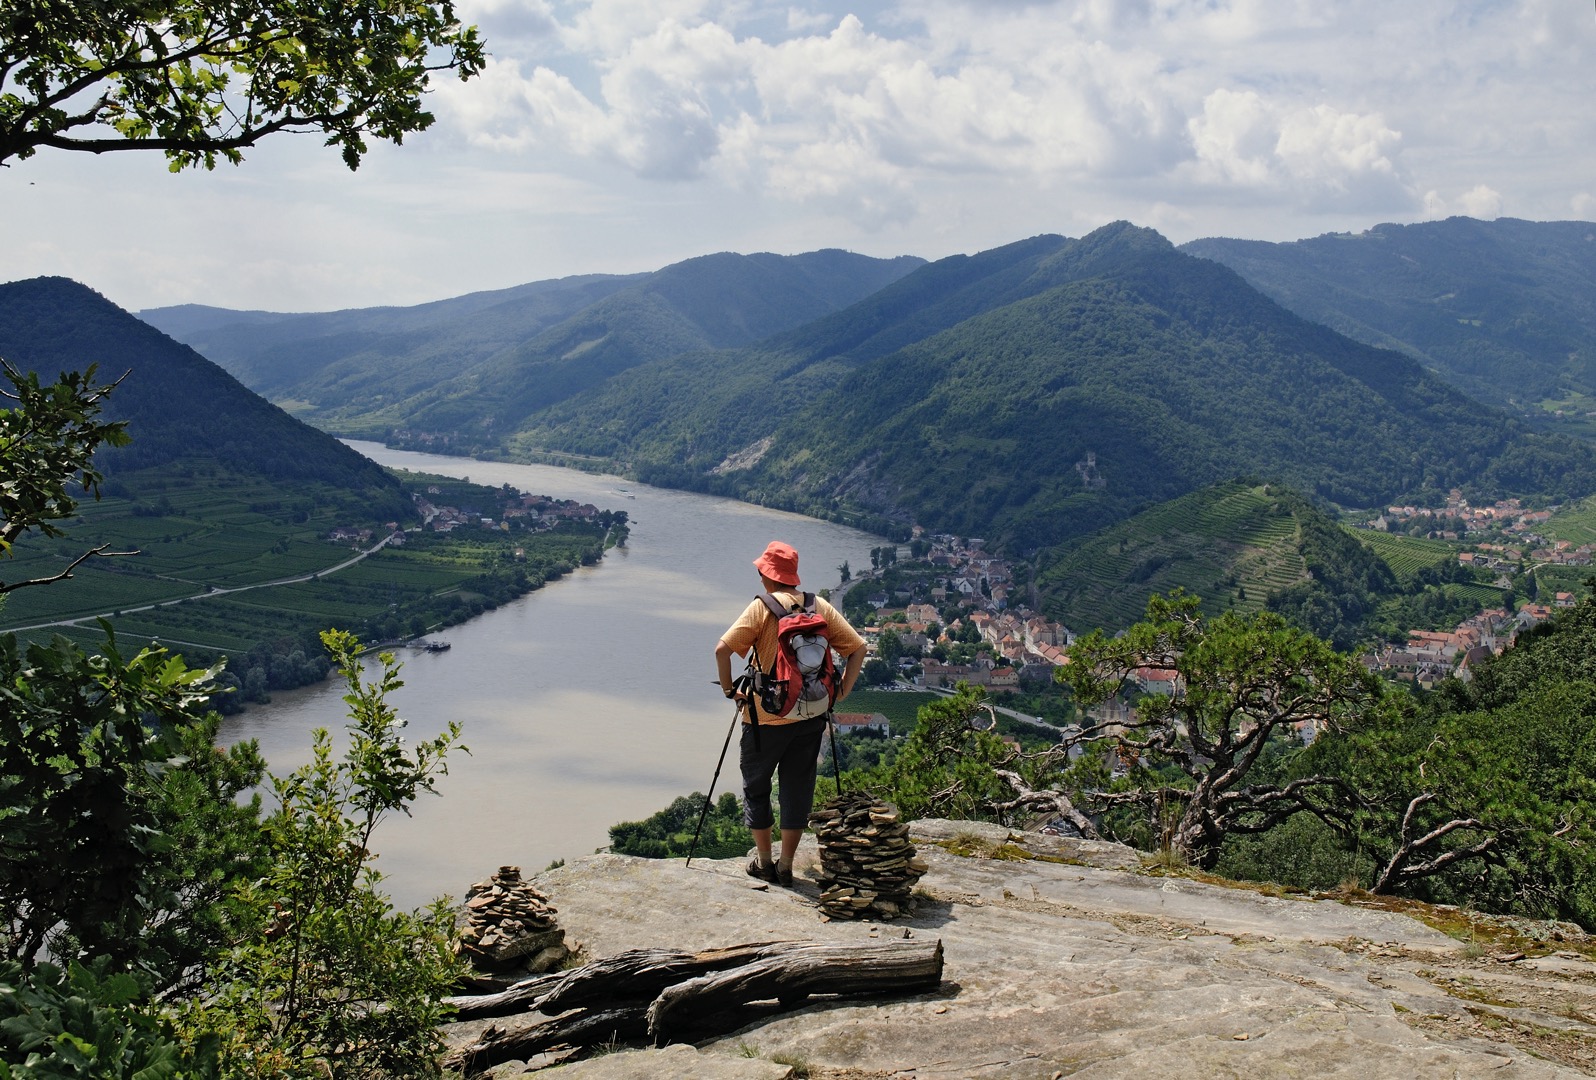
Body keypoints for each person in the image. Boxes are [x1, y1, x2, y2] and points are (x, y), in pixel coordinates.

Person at [715, 540, 865, 886]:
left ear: (767, 574)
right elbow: (858, 648)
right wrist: (842, 691)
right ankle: (786, 866)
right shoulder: (819, 605)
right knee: (797, 789)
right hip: (812, 715)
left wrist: (729, 691)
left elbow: (722, 650)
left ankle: (764, 862)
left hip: (765, 718)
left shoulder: (761, 608)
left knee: (757, 787)